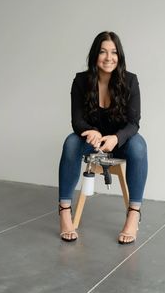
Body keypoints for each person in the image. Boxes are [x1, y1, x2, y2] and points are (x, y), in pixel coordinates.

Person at [59, 31, 148, 244]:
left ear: (120, 56)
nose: (109, 58)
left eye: (114, 52)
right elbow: (77, 120)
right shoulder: (81, 81)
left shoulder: (130, 81)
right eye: (103, 52)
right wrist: (92, 132)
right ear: (94, 55)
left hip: (120, 142)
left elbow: (134, 123)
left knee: (139, 146)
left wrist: (116, 138)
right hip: (92, 142)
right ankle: (64, 211)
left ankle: (134, 214)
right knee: (71, 142)